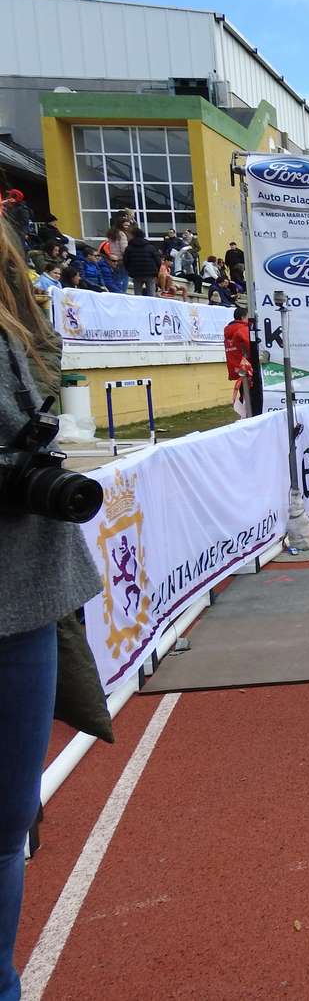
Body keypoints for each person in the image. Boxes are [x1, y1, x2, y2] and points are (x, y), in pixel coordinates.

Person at [0, 221, 103, 1001]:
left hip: (26, 594)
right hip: (17, 598)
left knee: (8, 829)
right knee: (5, 831)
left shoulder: (21, 335)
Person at [223, 305, 253, 414]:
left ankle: (244, 416)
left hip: (236, 368)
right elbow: (252, 347)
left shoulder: (227, 331)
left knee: (243, 395)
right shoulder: (243, 329)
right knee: (251, 398)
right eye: (248, 317)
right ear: (242, 317)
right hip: (248, 368)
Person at [121, 228, 160, 297]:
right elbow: (158, 260)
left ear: (133, 235)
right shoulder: (150, 247)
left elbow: (125, 261)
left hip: (136, 274)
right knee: (151, 294)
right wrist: (156, 272)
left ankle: (139, 307)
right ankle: (152, 307)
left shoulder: (129, 248)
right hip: (150, 273)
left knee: (138, 295)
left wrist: (130, 271)